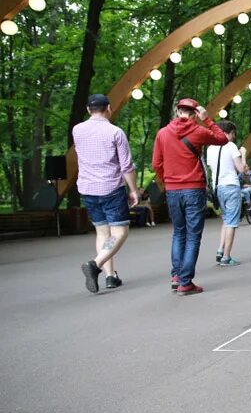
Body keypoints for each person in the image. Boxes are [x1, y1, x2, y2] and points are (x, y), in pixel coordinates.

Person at [152, 98, 228, 295]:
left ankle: (177, 276)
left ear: (177, 112)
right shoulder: (199, 131)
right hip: (194, 188)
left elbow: (156, 164)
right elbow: (222, 139)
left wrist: (167, 181)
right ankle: (186, 282)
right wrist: (208, 120)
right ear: (195, 114)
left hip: (172, 190)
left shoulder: (162, 133)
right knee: (193, 236)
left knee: (179, 232)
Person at [73, 94, 142, 293]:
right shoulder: (115, 132)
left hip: (88, 189)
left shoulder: (77, 130)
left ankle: (111, 276)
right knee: (119, 232)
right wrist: (134, 190)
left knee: (103, 232)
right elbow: (126, 166)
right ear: (109, 108)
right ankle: (95, 265)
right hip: (111, 188)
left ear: (88, 110)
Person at [206, 121, 245, 267]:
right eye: (233, 134)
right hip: (231, 186)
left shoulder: (210, 148)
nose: (234, 137)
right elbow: (241, 169)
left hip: (218, 188)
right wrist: (243, 155)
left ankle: (220, 249)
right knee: (232, 223)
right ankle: (226, 257)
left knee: (226, 219)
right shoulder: (231, 146)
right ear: (228, 133)